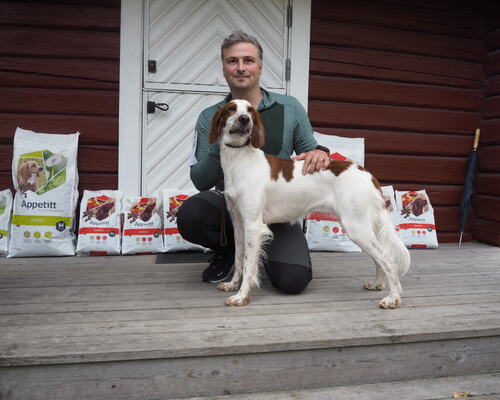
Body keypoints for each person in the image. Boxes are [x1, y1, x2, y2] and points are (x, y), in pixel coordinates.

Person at [177, 31, 330, 294]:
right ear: (224, 68)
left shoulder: (289, 107)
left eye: (248, 60)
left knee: (292, 280)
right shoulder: (209, 116)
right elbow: (200, 180)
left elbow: (310, 150)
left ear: (260, 67)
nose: (240, 67)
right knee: (192, 214)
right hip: (231, 203)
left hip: (278, 206)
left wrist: (321, 152)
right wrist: (223, 138)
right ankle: (231, 251)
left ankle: (259, 249)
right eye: (232, 61)